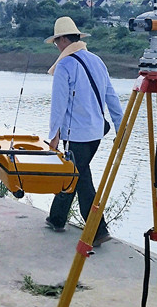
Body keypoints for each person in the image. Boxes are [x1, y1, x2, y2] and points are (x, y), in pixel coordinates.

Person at [44, 16, 123, 246]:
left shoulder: (65, 66)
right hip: (96, 133)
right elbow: (112, 98)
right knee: (75, 174)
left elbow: (58, 105)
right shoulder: (97, 61)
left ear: (63, 39)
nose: (57, 47)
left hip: (76, 134)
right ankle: (57, 218)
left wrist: (54, 136)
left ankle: (98, 230)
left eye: (57, 42)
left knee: (81, 178)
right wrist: (121, 129)